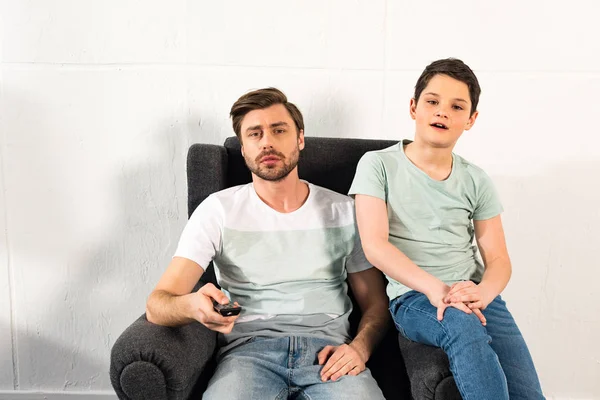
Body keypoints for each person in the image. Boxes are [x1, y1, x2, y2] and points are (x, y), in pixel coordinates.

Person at [145, 87, 388, 399]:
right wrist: (191, 305)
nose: (267, 142)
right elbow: (157, 305)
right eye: (255, 134)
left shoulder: (345, 211)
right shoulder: (218, 210)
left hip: (330, 355)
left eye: (279, 130)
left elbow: (376, 304)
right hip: (248, 356)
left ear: (300, 138)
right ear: (244, 148)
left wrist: (360, 348)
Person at [350, 58, 545, 399]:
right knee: (460, 322)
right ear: (414, 107)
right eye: (433, 101)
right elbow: (375, 245)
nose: (442, 112)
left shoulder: (475, 179)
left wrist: (482, 293)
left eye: (457, 107)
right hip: (413, 297)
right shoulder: (377, 164)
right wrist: (434, 288)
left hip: (474, 295)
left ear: (470, 120)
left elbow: (498, 258)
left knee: (528, 394)